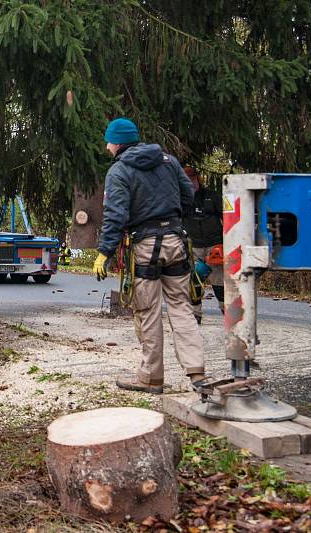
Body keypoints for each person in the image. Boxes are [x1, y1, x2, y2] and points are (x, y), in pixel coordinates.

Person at [92, 118, 207, 393]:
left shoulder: (119, 171)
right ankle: (197, 373)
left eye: (108, 141)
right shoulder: (168, 161)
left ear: (117, 142)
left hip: (145, 246)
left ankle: (151, 378)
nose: (107, 147)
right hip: (176, 242)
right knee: (181, 307)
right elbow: (188, 196)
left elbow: (115, 215)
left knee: (147, 311)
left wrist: (104, 252)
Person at [182, 166, 225, 324]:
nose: (190, 183)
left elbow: (227, 218)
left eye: (192, 179)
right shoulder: (181, 200)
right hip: (193, 246)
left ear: (197, 178)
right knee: (194, 280)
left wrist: (226, 242)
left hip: (215, 245)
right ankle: (196, 314)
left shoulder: (212, 196)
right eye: (186, 180)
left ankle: (226, 311)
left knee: (219, 281)